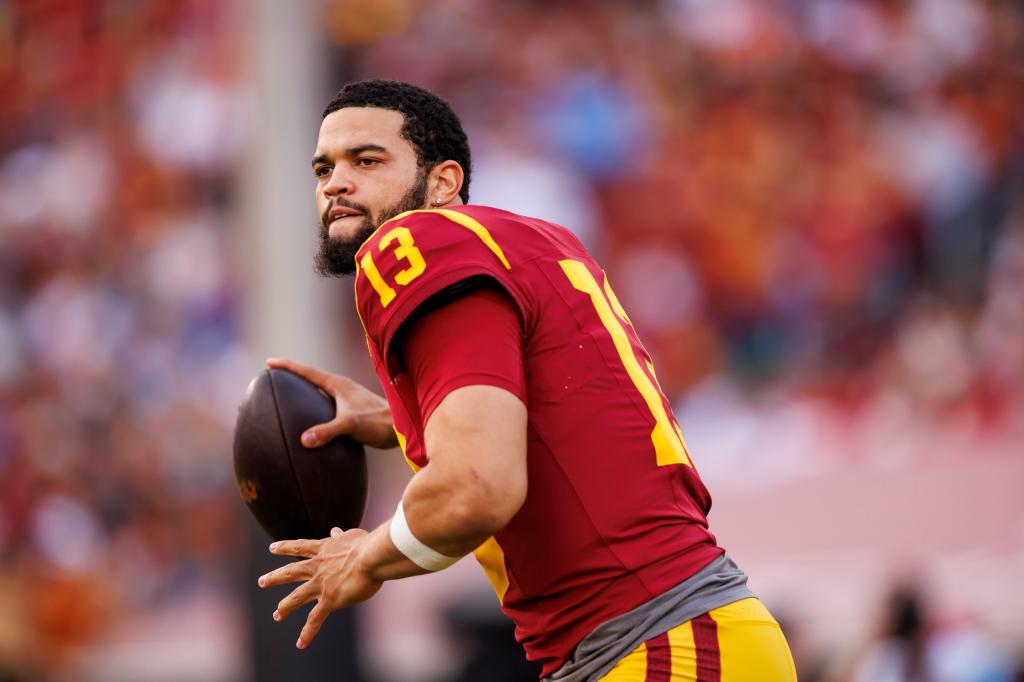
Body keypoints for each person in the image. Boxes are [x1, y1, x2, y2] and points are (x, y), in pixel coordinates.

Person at [257, 79, 797, 681]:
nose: (336, 182)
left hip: (656, 642)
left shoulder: (409, 242)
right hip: (680, 636)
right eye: (323, 168)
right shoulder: (534, 237)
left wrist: (366, 556)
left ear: (443, 182)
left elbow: (477, 487)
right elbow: (558, 406)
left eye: (367, 160)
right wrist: (397, 419)